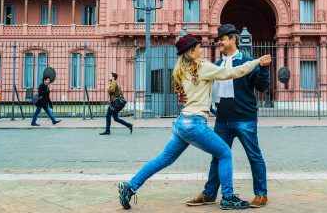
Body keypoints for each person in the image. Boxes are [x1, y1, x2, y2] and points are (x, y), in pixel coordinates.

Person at [117, 34, 272, 210]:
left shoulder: (181, 70)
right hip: (195, 123)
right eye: (199, 47)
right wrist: (256, 61)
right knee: (225, 154)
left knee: (163, 160)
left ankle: (130, 186)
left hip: (182, 123)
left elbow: (186, 95)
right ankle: (228, 197)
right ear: (192, 52)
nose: (202, 49)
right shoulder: (202, 67)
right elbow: (234, 72)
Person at [186, 24, 270, 208]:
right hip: (222, 120)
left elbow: (262, 86)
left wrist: (263, 68)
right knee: (217, 157)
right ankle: (209, 194)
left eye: (222, 39)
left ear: (233, 39)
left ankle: (261, 194)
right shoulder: (216, 66)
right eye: (218, 40)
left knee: (254, 156)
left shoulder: (247, 62)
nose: (219, 43)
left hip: (245, 119)